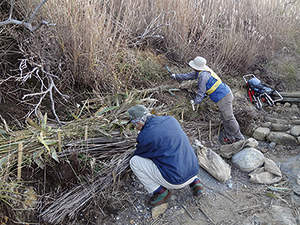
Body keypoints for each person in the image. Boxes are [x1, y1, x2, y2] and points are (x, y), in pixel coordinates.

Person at [127, 105, 204, 207]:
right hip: (194, 169)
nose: (135, 128)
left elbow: (140, 155)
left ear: (139, 123)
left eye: (134, 125)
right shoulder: (170, 119)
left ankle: (162, 193)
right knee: (179, 148)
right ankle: (196, 183)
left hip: (176, 180)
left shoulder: (145, 135)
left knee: (134, 161)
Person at [171, 56, 245, 144]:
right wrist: (176, 76)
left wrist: (196, 102)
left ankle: (239, 138)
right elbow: (189, 76)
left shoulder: (203, 76)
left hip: (224, 97)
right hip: (223, 94)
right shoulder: (202, 71)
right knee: (225, 117)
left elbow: (201, 91)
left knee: (229, 118)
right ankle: (230, 136)